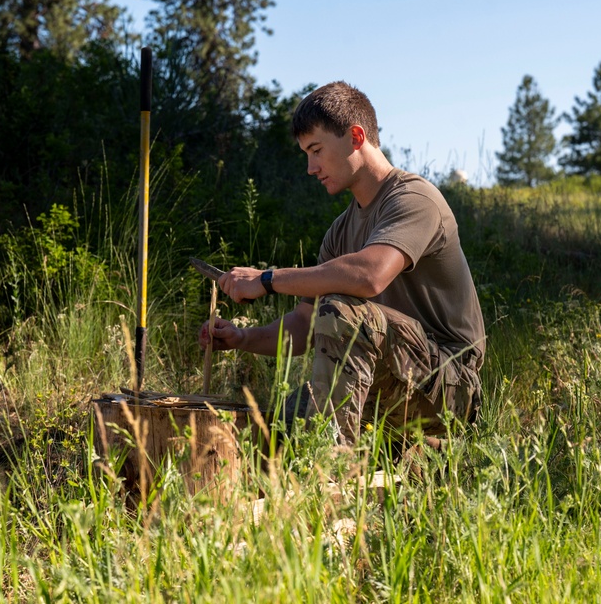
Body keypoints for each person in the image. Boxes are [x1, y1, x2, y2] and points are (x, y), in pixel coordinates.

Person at [198, 81, 485, 445]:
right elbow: (304, 326)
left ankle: (334, 474)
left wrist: (267, 279)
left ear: (355, 136)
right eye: (305, 153)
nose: (310, 167)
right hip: (391, 382)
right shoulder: (339, 233)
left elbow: (369, 277)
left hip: (450, 388)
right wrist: (242, 337)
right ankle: (371, 453)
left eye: (316, 150)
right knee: (272, 431)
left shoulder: (415, 198)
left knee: (341, 312)